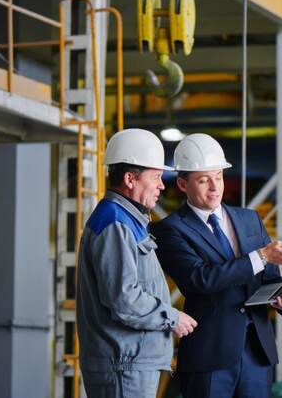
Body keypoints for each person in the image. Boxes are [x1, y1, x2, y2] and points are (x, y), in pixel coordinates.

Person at [152, 133, 282, 398]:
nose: (215, 187)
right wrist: (260, 256)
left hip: (257, 354)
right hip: (210, 356)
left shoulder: (249, 220)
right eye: (204, 180)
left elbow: (269, 278)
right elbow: (199, 279)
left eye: (219, 177)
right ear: (182, 184)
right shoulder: (170, 230)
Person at [76, 128, 197, 398]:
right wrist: (172, 317)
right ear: (130, 179)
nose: (161, 185)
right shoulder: (115, 224)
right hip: (124, 364)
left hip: (129, 363)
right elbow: (124, 299)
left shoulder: (128, 221)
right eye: (155, 177)